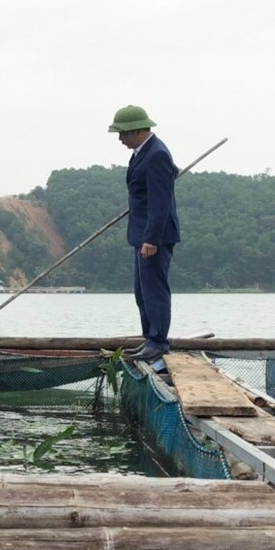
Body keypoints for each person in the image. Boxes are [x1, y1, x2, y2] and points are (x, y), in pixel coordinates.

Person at [108, 105, 180, 362]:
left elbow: (160, 203)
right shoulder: (145, 153)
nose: (120, 139)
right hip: (141, 234)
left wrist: (152, 239)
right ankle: (149, 337)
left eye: (123, 134)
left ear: (138, 131)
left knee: (154, 289)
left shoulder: (156, 154)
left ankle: (159, 341)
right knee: (141, 290)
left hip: (154, 237)